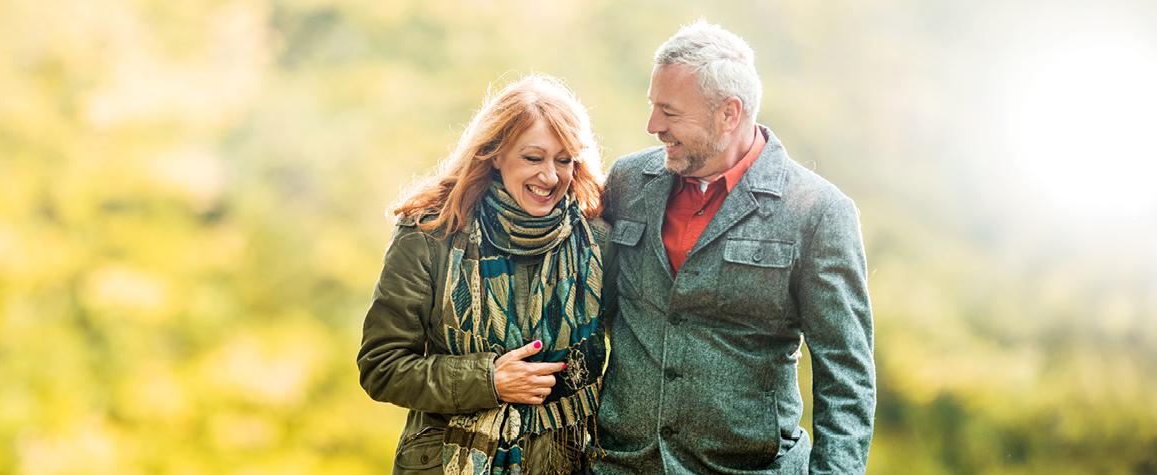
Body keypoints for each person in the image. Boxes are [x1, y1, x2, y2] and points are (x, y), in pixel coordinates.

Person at [594, 21, 876, 474]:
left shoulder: (819, 212)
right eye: (653, 107)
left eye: (669, 112)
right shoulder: (627, 182)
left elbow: (846, 376)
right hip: (622, 464)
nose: (652, 126)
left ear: (729, 113)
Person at [358, 73, 610, 474]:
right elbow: (382, 367)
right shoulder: (430, 234)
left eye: (564, 160)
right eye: (533, 158)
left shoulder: (596, 241)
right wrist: (488, 380)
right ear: (495, 154)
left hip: (566, 461)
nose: (550, 177)